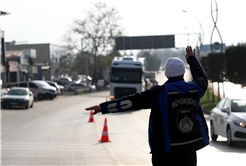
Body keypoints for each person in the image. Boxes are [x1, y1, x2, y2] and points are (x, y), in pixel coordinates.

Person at [85, 46, 209, 166]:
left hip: (164, 153)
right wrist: (192, 59)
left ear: (166, 75)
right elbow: (201, 77)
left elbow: (130, 102)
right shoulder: (195, 88)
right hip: (189, 151)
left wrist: (103, 107)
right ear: (183, 72)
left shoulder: (159, 93)